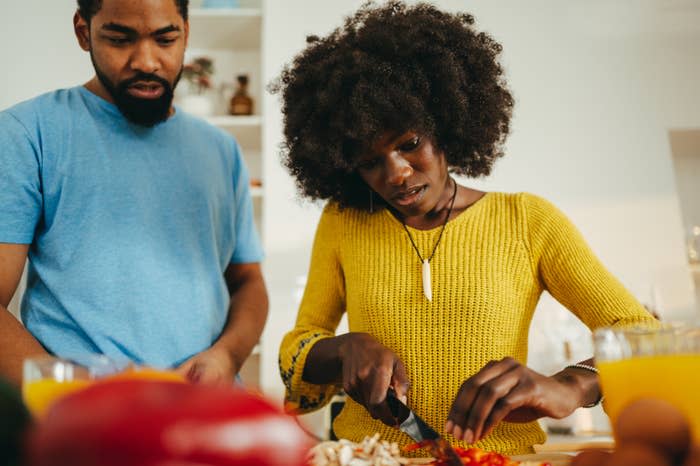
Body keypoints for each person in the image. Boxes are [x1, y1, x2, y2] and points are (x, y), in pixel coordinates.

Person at [275, 1, 656, 456]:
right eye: (369, 161)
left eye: (410, 143)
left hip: (497, 461)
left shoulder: (527, 221)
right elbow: (297, 346)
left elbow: (642, 336)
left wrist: (573, 385)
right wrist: (342, 350)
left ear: (446, 124)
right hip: (372, 459)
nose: (396, 173)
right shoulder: (344, 220)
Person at [0, 0, 268, 388]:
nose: (146, 61)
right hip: (84, 427)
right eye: (120, 39)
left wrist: (227, 355)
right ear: (83, 32)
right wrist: (70, 396)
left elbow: (248, 282)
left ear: (186, 32)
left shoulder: (220, 150)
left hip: (206, 416)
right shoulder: (26, 134)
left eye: (165, 38)